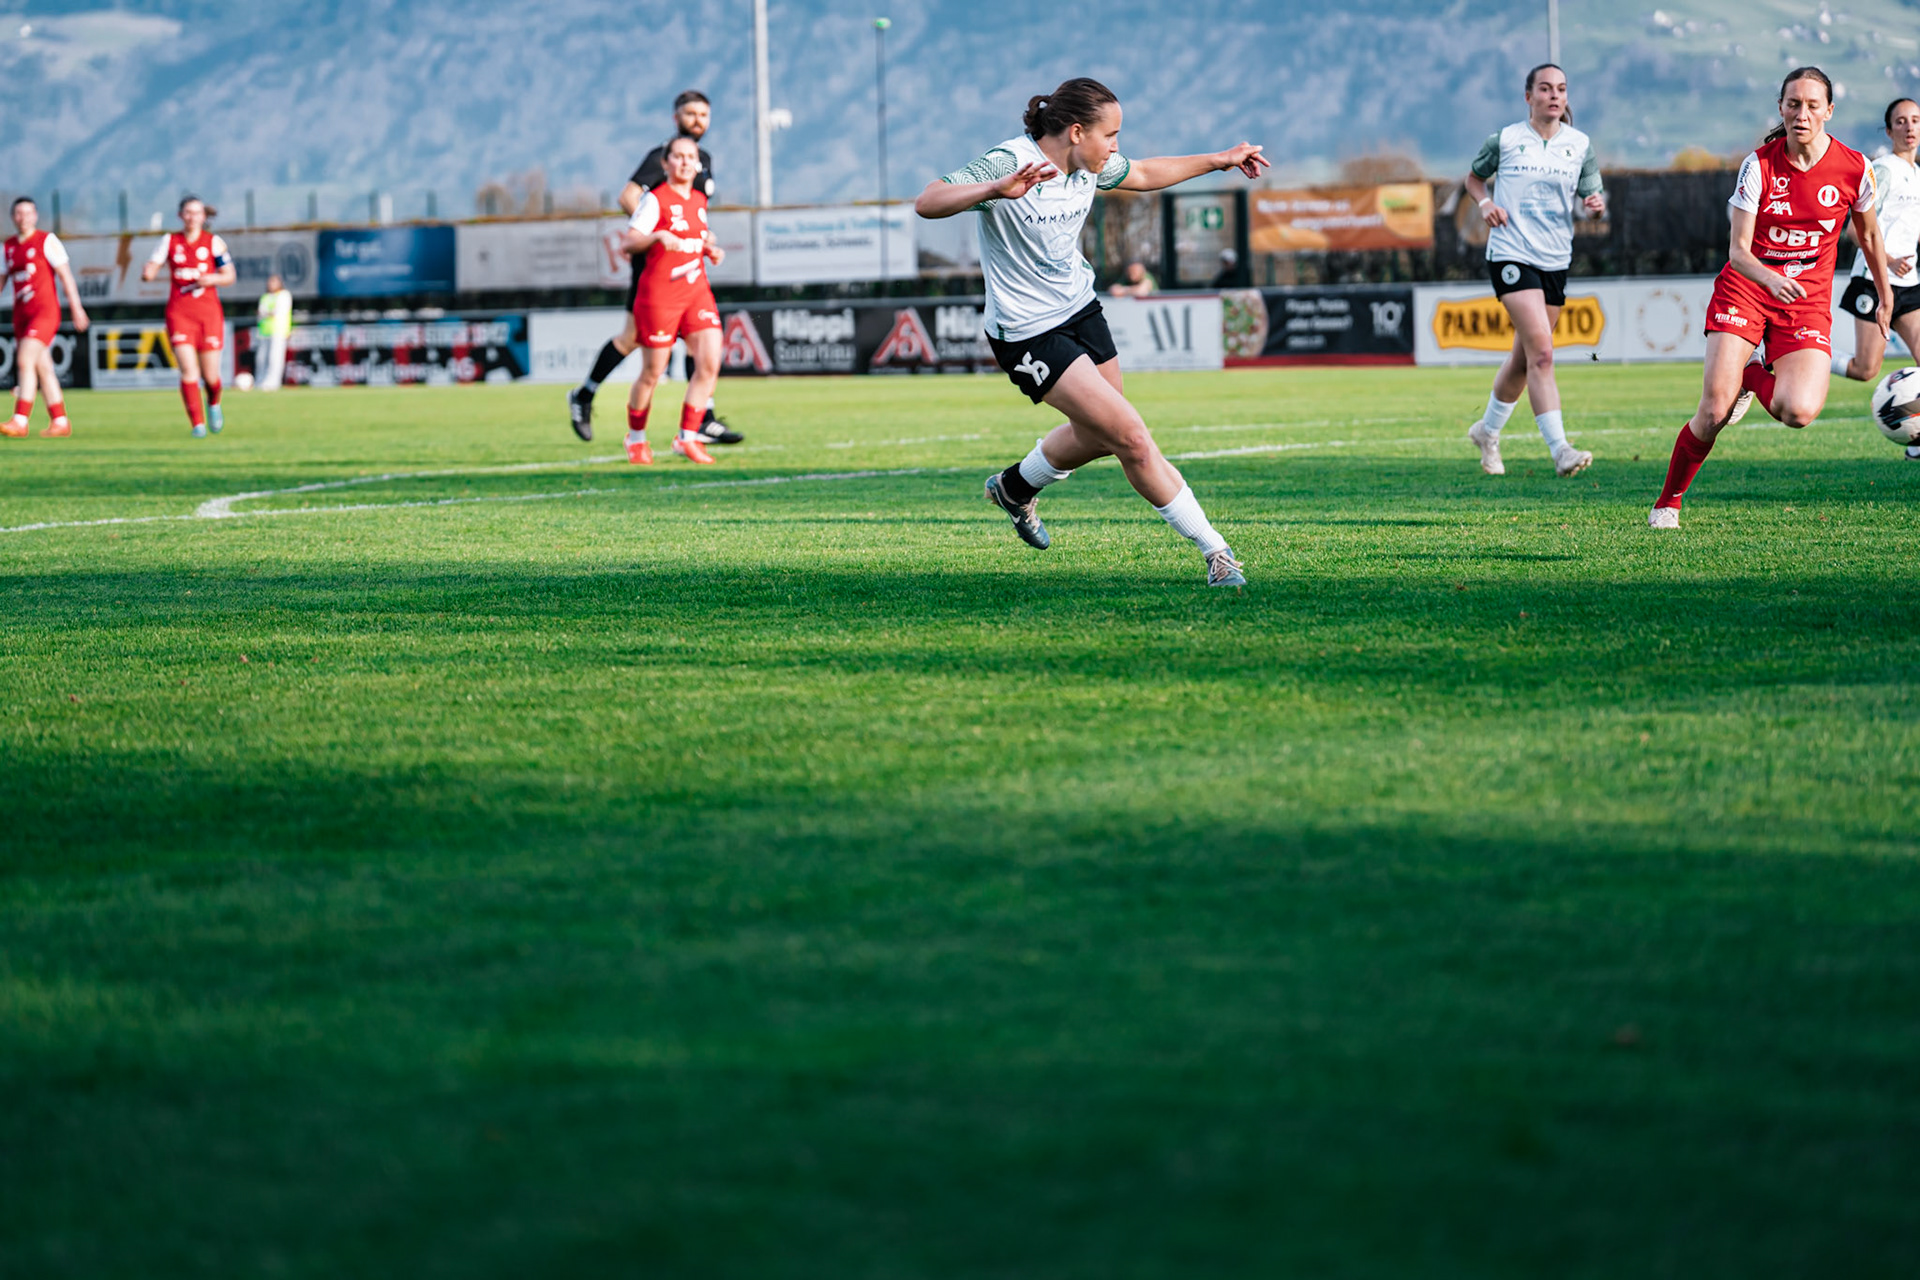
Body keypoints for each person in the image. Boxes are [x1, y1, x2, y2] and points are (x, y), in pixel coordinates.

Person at [917, 77, 1269, 588]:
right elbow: (929, 201)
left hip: (1081, 310)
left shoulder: (1091, 168)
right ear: (1078, 132)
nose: (1117, 147)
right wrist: (994, 190)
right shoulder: (1008, 161)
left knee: (1103, 437)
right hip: (1026, 332)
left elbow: (1146, 172)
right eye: (1112, 135)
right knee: (1131, 437)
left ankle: (1014, 487)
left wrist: (1220, 158)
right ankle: (1216, 552)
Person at [1650, 67, 1890, 528]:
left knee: (1797, 411)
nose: (1802, 113)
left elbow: (1872, 236)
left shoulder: (1855, 168)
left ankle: (1752, 375)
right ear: (1781, 108)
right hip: (1747, 288)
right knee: (1714, 410)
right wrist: (1770, 278)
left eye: (1812, 105)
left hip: (1806, 299)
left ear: (1829, 112)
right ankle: (1668, 502)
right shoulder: (1758, 165)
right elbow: (1737, 253)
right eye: (1793, 104)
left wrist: (1884, 294)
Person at [569, 90, 740, 447]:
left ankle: (702, 419)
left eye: (703, 115)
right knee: (631, 339)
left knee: (701, 342)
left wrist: (701, 237)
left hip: (688, 268)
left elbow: (692, 210)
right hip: (656, 268)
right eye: (690, 113)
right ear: (676, 117)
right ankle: (585, 394)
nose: (697, 120)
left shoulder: (702, 158)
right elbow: (629, 195)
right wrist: (653, 232)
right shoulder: (663, 155)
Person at [1462, 62, 1605, 479]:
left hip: (1555, 260)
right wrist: (1485, 204)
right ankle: (1560, 448)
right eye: (1545, 89)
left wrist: (1594, 207)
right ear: (1529, 97)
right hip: (1510, 253)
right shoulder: (1506, 140)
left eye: (1561, 89)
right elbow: (1473, 179)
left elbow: (1592, 199)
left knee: (1525, 359)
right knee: (1543, 352)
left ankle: (1487, 431)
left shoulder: (1580, 145)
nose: (1554, 96)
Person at [617, 135, 725, 466]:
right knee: (653, 371)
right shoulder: (655, 200)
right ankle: (635, 439)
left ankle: (688, 437)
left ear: (697, 164)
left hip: (696, 292)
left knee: (709, 361)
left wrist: (710, 249)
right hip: (660, 296)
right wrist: (658, 236)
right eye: (677, 156)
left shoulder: (698, 200)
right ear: (665, 163)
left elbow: (696, 237)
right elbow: (628, 243)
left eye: (689, 156)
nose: (684, 162)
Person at [1835, 98, 1920, 458]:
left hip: (1909, 284)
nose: (1909, 127)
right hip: (1873, 280)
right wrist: (1887, 259)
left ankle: (1916, 443)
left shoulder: (1917, 174)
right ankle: (1798, 351)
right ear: (1889, 131)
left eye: (1915, 120)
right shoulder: (1882, 169)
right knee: (1865, 369)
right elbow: (1855, 228)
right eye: (1900, 122)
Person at [140, 196, 234, 438]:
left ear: (204, 216)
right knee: (189, 372)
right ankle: (197, 424)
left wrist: (212, 279)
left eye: (197, 212)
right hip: (180, 314)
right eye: (188, 212)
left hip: (209, 314)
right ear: (181, 215)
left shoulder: (213, 242)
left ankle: (213, 403)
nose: (192, 217)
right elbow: (151, 267)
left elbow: (229, 275)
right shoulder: (170, 241)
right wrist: (149, 272)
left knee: (211, 376)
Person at [2, 196, 87, 438]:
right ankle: (60, 421)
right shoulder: (7, 247)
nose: (23, 218)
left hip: (45, 312)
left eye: (28, 213)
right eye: (18, 213)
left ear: (35, 215)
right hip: (21, 315)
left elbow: (66, 277)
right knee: (43, 367)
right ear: (13, 217)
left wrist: (77, 308)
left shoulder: (46, 240)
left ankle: (20, 420)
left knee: (24, 360)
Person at [255, 273, 292, 391]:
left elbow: (278, 312)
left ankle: (273, 382)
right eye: (270, 282)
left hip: (278, 330)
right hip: (264, 331)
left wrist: (267, 313)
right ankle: (260, 381)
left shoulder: (284, 295)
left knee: (274, 358)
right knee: (261, 358)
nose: (271, 284)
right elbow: (261, 312)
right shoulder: (265, 296)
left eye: (274, 282)